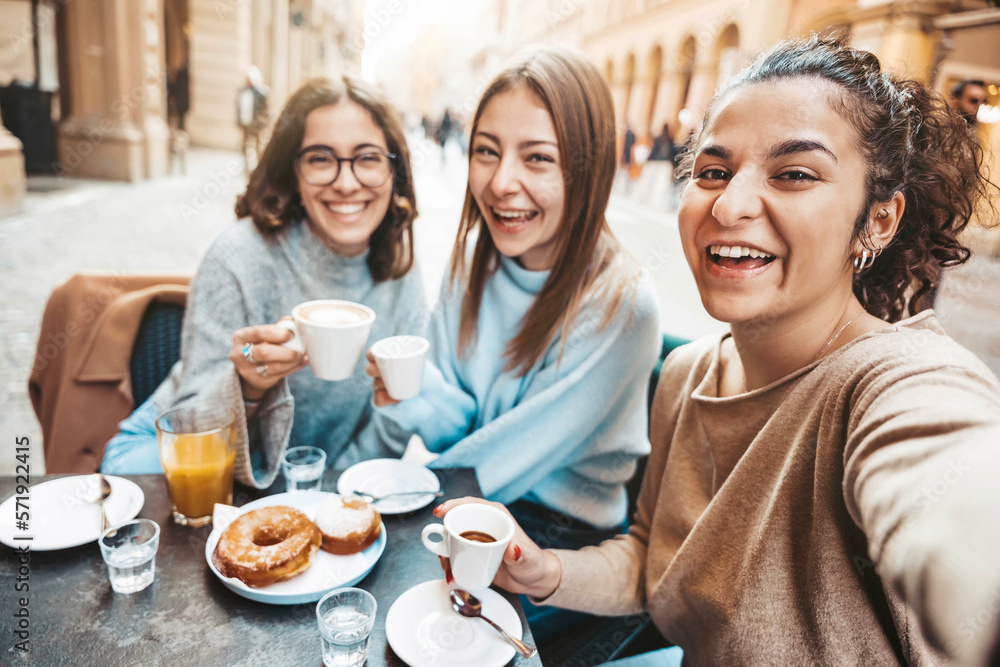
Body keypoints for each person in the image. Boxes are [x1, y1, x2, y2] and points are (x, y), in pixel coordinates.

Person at [437, 36, 1000, 666]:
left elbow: (951, 477)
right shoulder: (686, 376)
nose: (730, 205)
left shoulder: (892, 382)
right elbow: (650, 561)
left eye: (794, 174)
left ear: (879, 220)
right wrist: (548, 572)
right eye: (713, 171)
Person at [366, 47, 660, 638]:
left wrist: (375, 506)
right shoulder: (473, 262)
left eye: (538, 158)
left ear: (589, 169)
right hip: (469, 493)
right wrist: (407, 391)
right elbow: (458, 423)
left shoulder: (622, 302)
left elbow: (505, 455)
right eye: (487, 151)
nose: (502, 183)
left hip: (562, 545)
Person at [101, 76, 426, 488]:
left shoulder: (401, 270)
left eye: (367, 158)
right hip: (174, 452)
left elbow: (395, 418)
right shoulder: (239, 256)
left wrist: (324, 496)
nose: (346, 183)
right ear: (294, 172)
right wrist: (249, 387)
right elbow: (191, 419)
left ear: (394, 170)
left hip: (311, 483)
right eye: (321, 159)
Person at [238, 66, 270, 176]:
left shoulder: (262, 92)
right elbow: (238, 107)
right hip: (245, 123)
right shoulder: (242, 91)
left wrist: (264, 124)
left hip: (257, 125)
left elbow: (266, 110)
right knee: (245, 146)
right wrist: (238, 120)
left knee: (258, 146)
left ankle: (259, 168)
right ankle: (246, 168)